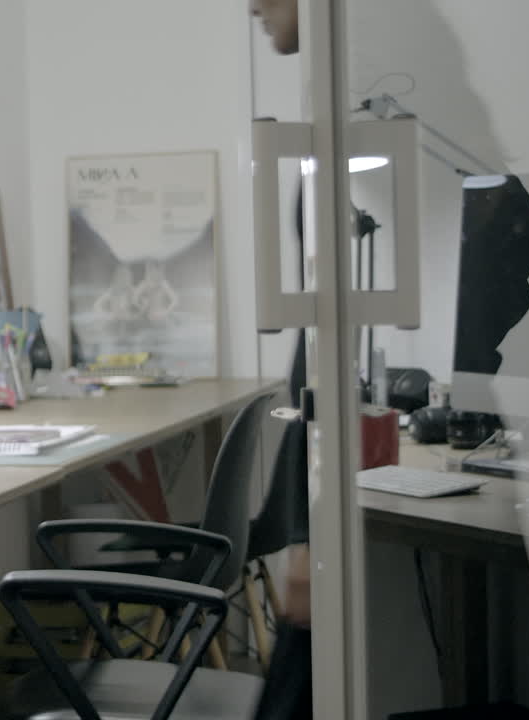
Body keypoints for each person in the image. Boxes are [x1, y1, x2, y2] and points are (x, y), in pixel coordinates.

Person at [250, 2, 313, 719]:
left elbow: (330, 347)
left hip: (324, 475)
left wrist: (305, 535)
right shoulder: (323, 112)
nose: (253, 7)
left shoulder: (357, 117)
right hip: (314, 478)